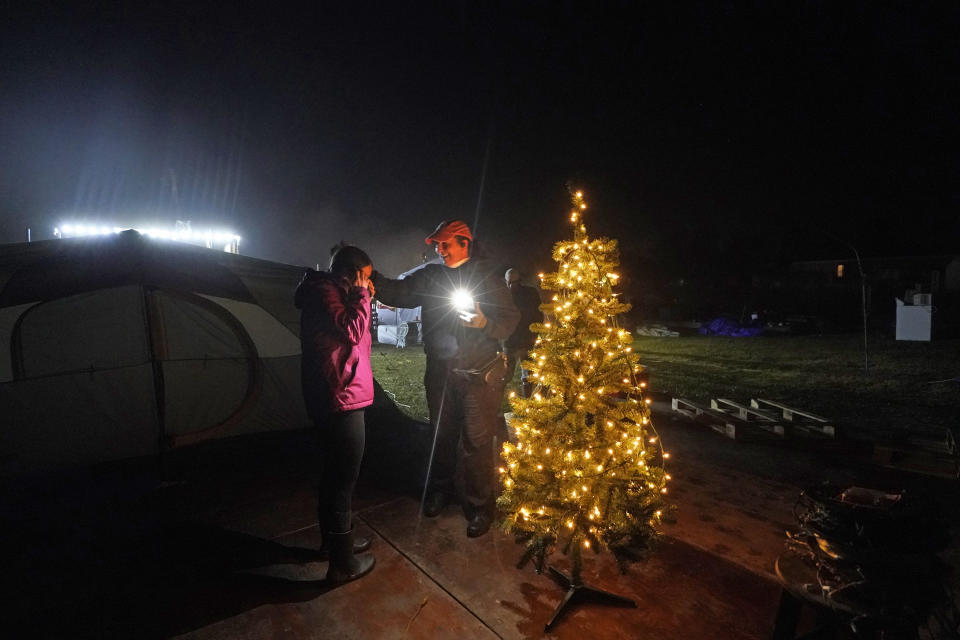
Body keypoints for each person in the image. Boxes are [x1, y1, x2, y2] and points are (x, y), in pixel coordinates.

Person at [371, 220, 520, 537]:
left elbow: (509, 321)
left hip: (478, 375)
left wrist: (483, 323)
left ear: (464, 242)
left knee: (477, 442)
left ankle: (481, 506)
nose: (440, 250)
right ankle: (440, 489)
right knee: (440, 435)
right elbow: (400, 291)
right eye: (438, 245)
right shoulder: (431, 276)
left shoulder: (488, 280)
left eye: (446, 244)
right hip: (440, 372)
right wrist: (372, 277)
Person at [294, 245, 377, 582]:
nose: (369, 286)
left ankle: (334, 545)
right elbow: (354, 332)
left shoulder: (325, 292)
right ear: (351, 274)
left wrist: (360, 294)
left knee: (333, 477)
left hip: (334, 394)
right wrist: (360, 294)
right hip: (340, 398)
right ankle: (342, 566)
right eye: (365, 278)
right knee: (343, 480)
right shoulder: (328, 292)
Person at [504, 268, 544, 398]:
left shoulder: (529, 293)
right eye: (509, 282)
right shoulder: (503, 295)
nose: (511, 286)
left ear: (519, 281)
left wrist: (534, 334)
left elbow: (538, 315)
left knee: (527, 376)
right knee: (505, 375)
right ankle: (495, 406)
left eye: (513, 283)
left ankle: (526, 405)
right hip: (512, 341)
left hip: (525, 340)